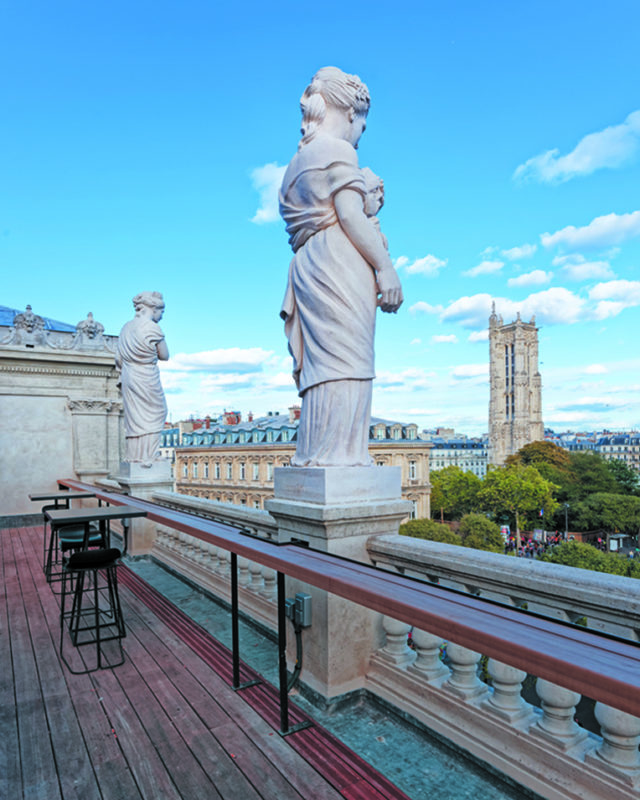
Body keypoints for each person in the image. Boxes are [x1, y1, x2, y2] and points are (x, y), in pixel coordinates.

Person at [279, 67, 403, 466]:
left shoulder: (295, 163)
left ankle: (317, 453)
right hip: (339, 259)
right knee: (350, 362)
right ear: (352, 112)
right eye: (363, 125)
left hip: (309, 262)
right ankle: (344, 457)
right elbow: (350, 214)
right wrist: (385, 268)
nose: (360, 135)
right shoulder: (338, 150)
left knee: (324, 365)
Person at [115, 291, 169, 465]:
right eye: (162, 312)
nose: (162, 316)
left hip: (129, 376)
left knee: (134, 418)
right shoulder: (152, 327)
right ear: (154, 309)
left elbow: (118, 359)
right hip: (146, 376)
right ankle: (148, 456)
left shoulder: (125, 328)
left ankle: (134, 456)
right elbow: (165, 355)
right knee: (157, 413)